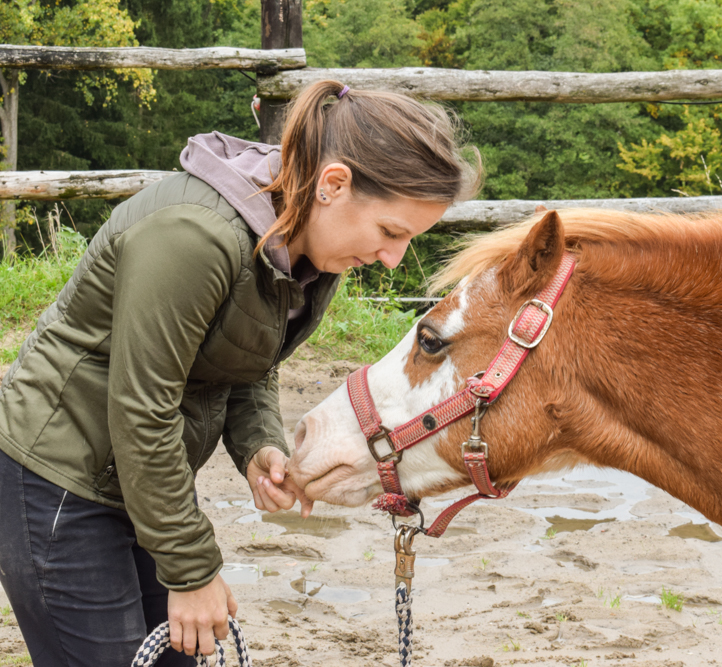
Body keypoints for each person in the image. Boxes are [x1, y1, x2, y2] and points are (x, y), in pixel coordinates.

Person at [0, 79, 481, 667]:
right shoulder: (191, 237)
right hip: (59, 478)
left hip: (141, 478)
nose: (392, 259)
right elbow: (141, 408)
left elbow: (249, 360)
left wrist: (258, 446)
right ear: (333, 184)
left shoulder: (308, 246)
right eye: (390, 232)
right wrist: (192, 570)